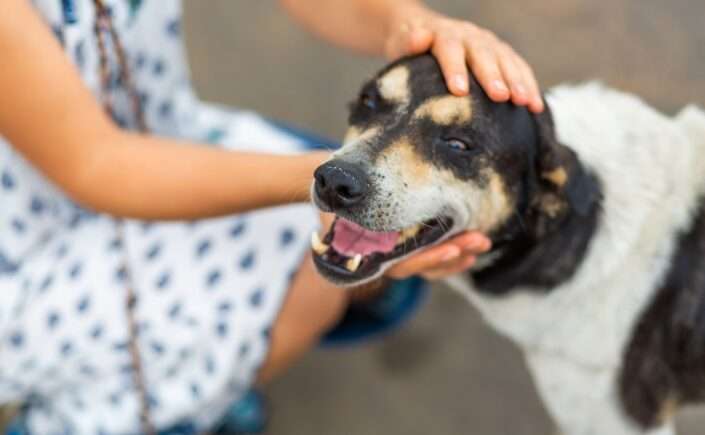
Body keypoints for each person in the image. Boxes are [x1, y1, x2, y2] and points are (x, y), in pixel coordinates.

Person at [0, 0, 543, 433]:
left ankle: (201, 370)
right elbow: (97, 164)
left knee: (357, 238)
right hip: (29, 242)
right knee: (320, 273)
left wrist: (418, 26)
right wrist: (337, 179)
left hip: (160, 135)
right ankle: (101, 416)